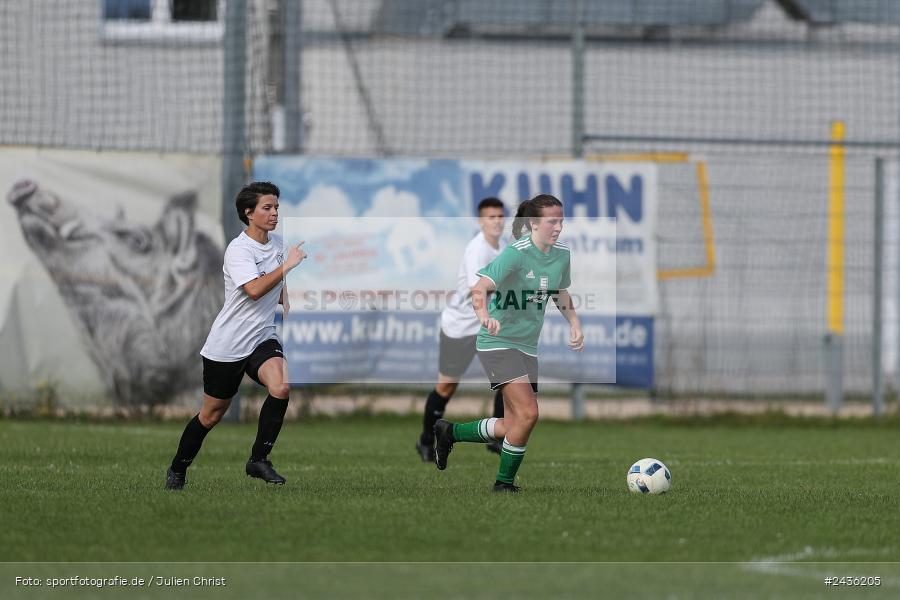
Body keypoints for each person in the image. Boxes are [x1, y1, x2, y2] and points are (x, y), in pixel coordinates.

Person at [432, 194, 584, 492]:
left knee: (513, 424)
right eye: (552, 221)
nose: (558, 227)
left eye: (561, 221)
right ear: (534, 224)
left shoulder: (562, 255)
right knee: (530, 413)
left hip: (527, 347)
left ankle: (449, 432)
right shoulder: (516, 253)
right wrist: (485, 315)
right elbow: (479, 288)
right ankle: (503, 484)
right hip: (497, 342)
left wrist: (575, 323)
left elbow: (559, 291)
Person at [165, 181, 306, 490]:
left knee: (281, 387)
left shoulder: (279, 244)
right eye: (267, 208)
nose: (274, 213)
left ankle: (259, 460)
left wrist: (286, 298)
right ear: (249, 212)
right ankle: (178, 468)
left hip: (261, 338)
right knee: (211, 415)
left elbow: (273, 288)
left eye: (276, 208)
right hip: (228, 345)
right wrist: (286, 268)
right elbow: (254, 290)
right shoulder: (238, 249)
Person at [416, 198, 508, 462]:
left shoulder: (502, 247)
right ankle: (425, 440)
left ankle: (500, 439)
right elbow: (477, 288)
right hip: (459, 327)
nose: (497, 221)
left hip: (486, 326)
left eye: (500, 216)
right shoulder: (476, 249)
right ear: (480, 221)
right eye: (491, 217)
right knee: (446, 387)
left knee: (506, 380)